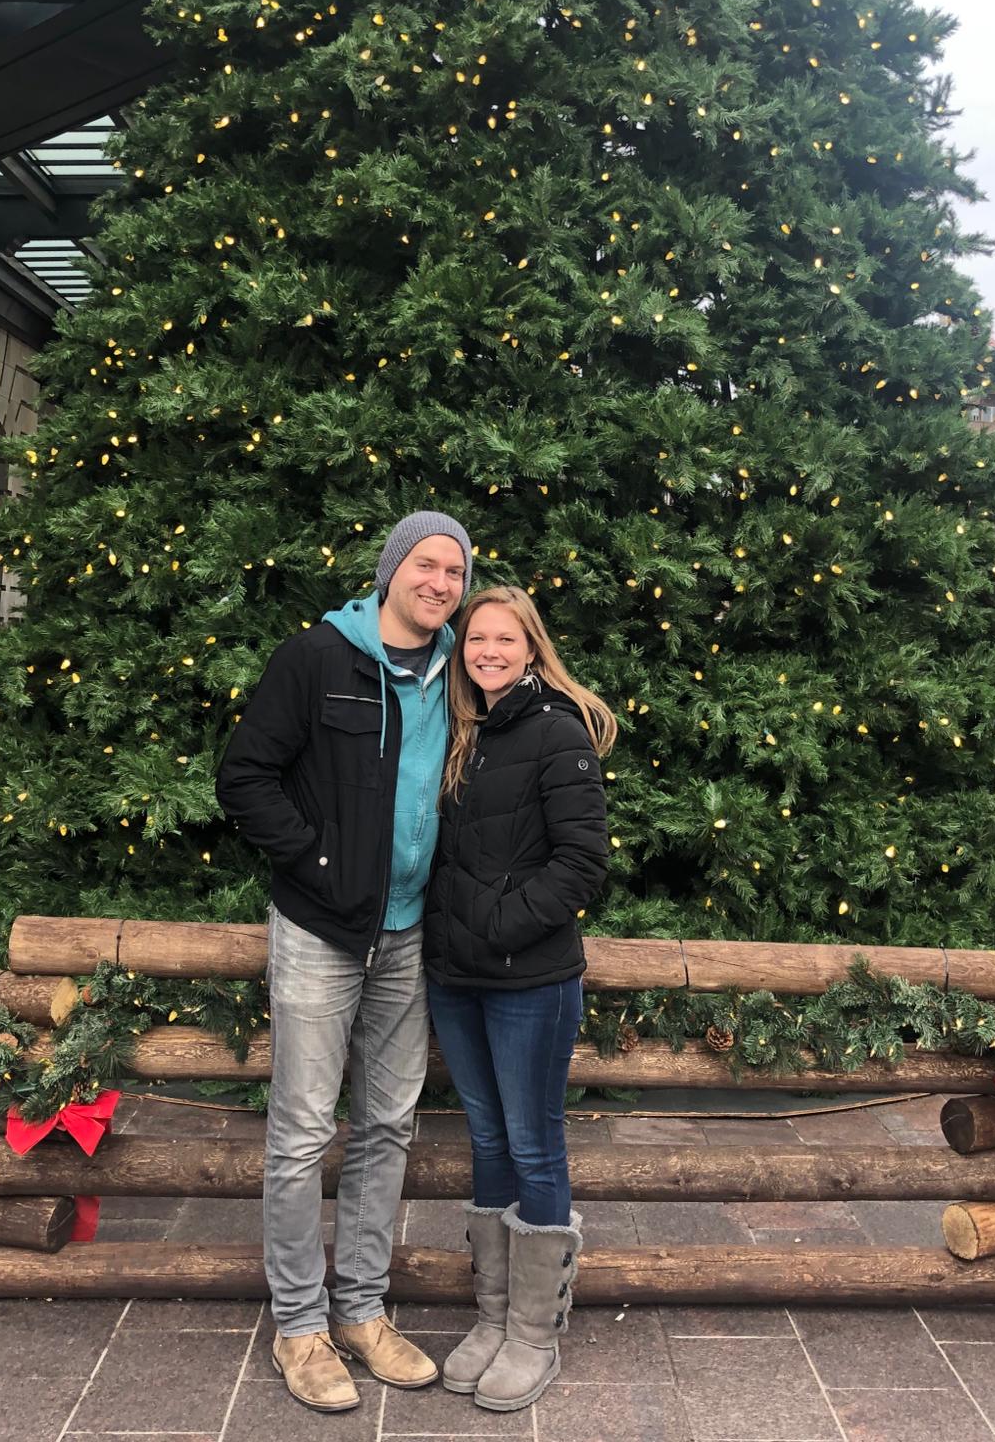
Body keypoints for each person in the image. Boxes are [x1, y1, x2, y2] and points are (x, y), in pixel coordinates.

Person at [216, 512, 472, 1414]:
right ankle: (299, 1326)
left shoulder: (460, 673)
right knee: (298, 1134)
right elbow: (243, 774)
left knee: (389, 1124)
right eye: (426, 564)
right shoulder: (319, 657)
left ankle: (361, 1312)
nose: (439, 583)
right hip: (322, 930)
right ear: (392, 569)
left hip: (409, 936)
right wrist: (318, 863)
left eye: (454, 571)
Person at [423, 586, 614, 1414]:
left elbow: (581, 863)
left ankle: (533, 1333)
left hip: (529, 978)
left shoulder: (555, 732)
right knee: (488, 1139)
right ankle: (493, 1317)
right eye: (475, 639)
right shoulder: (463, 733)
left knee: (534, 1145)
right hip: (457, 977)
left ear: (531, 649)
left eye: (504, 639)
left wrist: (501, 924)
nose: (487, 651)